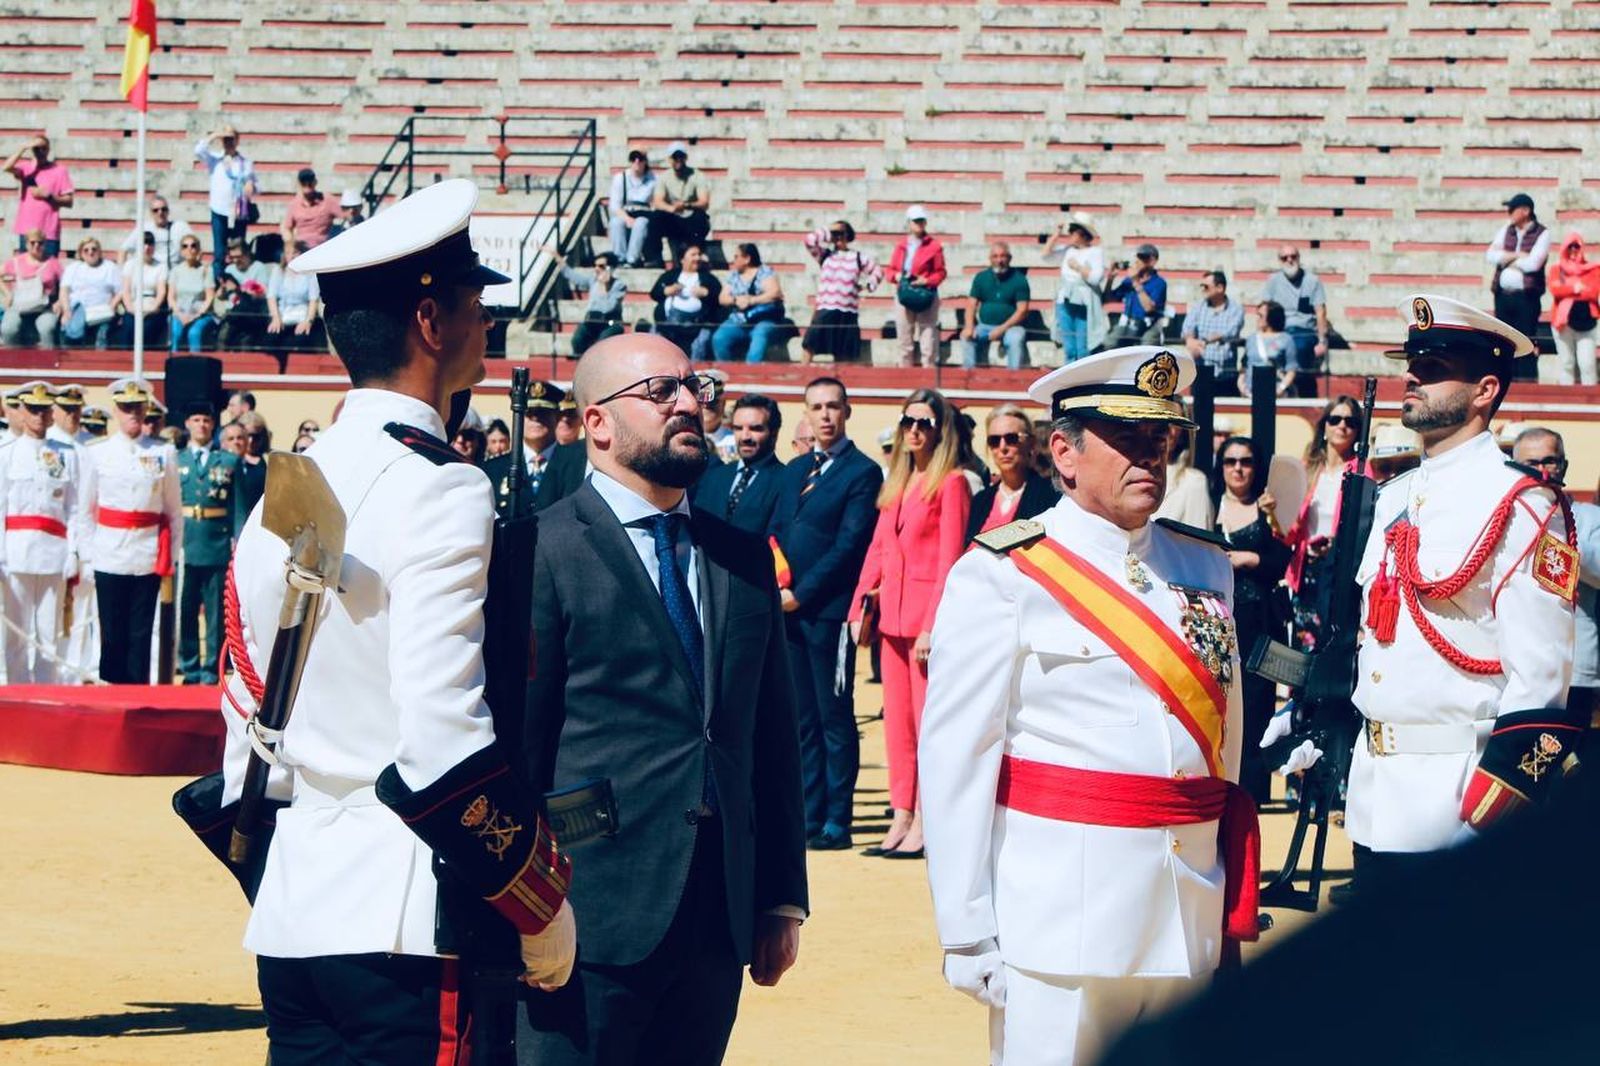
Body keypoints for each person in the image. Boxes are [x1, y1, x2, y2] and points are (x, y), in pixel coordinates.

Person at [221, 178, 576, 1063]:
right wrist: (538, 906)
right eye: (475, 303)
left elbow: (243, 707)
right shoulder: (442, 485)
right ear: (430, 323)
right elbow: (438, 733)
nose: (487, 324)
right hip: (405, 914)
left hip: (297, 905)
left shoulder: (288, 483)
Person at [919, 345, 1251, 1066]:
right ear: (1064, 453)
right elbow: (956, 759)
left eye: (1161, 440)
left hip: (1186, 901)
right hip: (1062, 918)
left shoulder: (1204, 563)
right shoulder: (1002, 574)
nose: (1151, 458)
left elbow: (1225, 739)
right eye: (1128, 440)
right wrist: (966, 927)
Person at [517, 332, 807, 1065]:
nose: (689, 404)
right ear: (598, 424)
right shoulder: (539, 550)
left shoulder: (742, 556)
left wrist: (778, 897)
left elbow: (769, 737)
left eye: (695, 387)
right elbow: (519, 746)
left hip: (717, 916)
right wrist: (521, 909)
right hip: (584, 916)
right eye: (660, 392)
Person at [1345, 294, 1576, 894]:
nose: (1411, 375)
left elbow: (1543, 677)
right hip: (1374, 790)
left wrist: (1500, 798)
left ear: (1484, 390)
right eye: (1411, 362)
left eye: (1435, 366)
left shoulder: (1523, 504)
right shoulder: (1393, 496)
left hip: (1458, 797)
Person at [848, 389, 971, 858]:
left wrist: (933, 626)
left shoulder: (952, 483)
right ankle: (901, 813)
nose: (915, 431)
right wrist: (859, 606)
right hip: (891, 622)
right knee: (897, 727)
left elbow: (949, 561)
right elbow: (878, 550)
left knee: (925, 727)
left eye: (924, 422)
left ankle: (926, 816)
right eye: (908, 422)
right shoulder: (896, 483)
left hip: (922, 624)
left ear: (940, 430)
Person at [768, 377, 884, 850]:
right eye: (816, 407)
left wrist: (803, 594)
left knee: (835, 717)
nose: (825, 416)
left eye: (833, 406)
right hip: (789, 609)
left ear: (847, 411)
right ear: (807, 412)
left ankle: (839, 818)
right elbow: (775, 532)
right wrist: (778, 587)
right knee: (801, 718)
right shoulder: (794, 470)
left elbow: (849, 546)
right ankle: (809, 814)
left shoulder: (863, 472)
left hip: (829, 612)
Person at [83, 377, 182, 685]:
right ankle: (110, 694)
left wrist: (171, 559)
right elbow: (86, 511)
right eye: (127, 408)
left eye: (138, 407)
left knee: (140, 633)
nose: (133, 414)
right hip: (109, 553)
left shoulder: (163, 453)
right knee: (111, 634)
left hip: (146, 554)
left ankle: (137, 695)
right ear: (116, 410)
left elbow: (173, 512)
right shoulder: (97, 452)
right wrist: (88, 557)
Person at [1210, 435, 1290, 805]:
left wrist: (1249, 559)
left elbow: (1285, 559)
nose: (1238, 468)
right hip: (1215, 617)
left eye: (1245, 461)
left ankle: (1254, 793)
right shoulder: (1209, 506)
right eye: (1230, 461)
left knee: (1257, 704)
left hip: (1258, 619)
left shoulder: (1267, 508)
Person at [0, 381, 87, 684]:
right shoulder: (6, 454)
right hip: (16, 551)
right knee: (18, 633)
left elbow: (74, 508)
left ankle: (48, 692)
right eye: (32, 409)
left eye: (43, 410)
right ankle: (19, 693)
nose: (38, 416)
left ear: (52, 413)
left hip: (54, 551)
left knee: (49, 633)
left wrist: (75, 551)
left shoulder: (67, 455)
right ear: (21, 412)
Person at [1285, 393, 1365, 652]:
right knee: (1303, 646)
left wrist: (1336, 543)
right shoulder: (1307, 469)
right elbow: (1289, 527)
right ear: (1325, 426)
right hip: (1307, 567)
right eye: (1336, 419)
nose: (1342, 426)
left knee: (1332, 646)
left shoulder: (1362, 471)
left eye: (1351, 422)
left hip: (1340, 569)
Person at [173, 401, 236, 685]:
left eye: (206, 420)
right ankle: (189, 666)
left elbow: (238, 507)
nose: (201, 425)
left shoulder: (227, 461)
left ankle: (211, 668)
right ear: (187, 423)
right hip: (185, 543)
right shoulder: (176, 460)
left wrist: (236, 539)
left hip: (216, 543)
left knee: (214, 612)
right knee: (185, 609)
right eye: (196, 419)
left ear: (213, 425)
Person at [692, 393, 785, 534]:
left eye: (755, 429)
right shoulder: (714, 476)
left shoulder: (786, 480)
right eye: (738, 428)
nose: (745, 437)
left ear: (774, 433)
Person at [967, 403, 1057, 542]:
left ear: (1031, 443)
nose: (1002, 447)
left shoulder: (1050, 496)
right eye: (994, 440)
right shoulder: (980, 501)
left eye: (1011, 439)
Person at [801, 221, 881, 364]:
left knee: (843, 351)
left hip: (847, 310)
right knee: (810, 343)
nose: (837, 238)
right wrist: (828, 232)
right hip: (826, 308)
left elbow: (877, 271)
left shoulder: (858, 257)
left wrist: (868, 285)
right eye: (835, 234)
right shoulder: (825, 255)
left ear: (848, 235)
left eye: (841, 234)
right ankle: (802, 373)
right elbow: (809, 240)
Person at [481, 380, 563, 517]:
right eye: (529, 413)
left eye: (543, 412)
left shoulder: (575, 463)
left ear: (557, 416)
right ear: (518, 417)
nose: (536, 418)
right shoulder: (494, 468)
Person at [1260, 245, 1330, 396]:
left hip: (1304, 332)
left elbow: (1320, 311)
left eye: (1293, 256)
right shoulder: (1273, 281)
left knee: (1299, 348)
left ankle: (1299, 391)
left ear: (1299, 258)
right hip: (1280, 330)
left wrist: (1322, 341)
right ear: (1280, 260)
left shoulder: (1312, 281)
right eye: (1285, 257)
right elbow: (1264, 308)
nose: (1290, 260)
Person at [1484, 192, 1550, 348]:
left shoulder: (1542, 233)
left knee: (1526, 344)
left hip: (1526, 298)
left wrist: (1505, 260)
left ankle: (1525, 374)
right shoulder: (1506, 230)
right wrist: (1518, 255)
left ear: (1526, 211)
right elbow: (1490, 256)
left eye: (1512, 209)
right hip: (1503, 296)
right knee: (1503, 344)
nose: (1509, 213)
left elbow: (1533, 264)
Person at [194, 124, 257, 284]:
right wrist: (215, 135)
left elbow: (253, 183)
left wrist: (250, 185)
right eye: (226, 139)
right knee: (220, 251)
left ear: (237, 140)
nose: (228, 142)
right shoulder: (215, 159)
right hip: (219, 210)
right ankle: (219, 283)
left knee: (239, 249)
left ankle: (239, 283)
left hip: (238, 211)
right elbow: (199, 151)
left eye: (231, 139)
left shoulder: (245, 162)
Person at [886, 205, 946, 367]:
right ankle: (906, 371)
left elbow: (940, 273)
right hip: (904, 292)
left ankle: (929, 370)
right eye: (916, 221)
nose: (919, 224)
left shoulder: (934, 246)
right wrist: (897, 276)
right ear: (909, 223)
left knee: (928, 335)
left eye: (921, 221)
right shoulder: (901, 246)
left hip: (925, 292)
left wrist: (926, 281)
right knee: (904, 334)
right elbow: (890, 270)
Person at [1044, 213, 1109, 363]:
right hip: (1065, 299)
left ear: (1083, 233)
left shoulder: (1095, 252)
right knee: (1069, 347)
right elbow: (1046, 256)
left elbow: (1096, 277)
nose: (1070, 233)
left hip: (1083, 302)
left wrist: (1079, 268)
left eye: (1073, 230)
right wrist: (1056, 235)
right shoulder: (1068, 250)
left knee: (1082, 347)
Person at [958, 242, 1032, 370]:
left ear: (1009, 258)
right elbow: (971, 304)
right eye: (995, 256)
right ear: (990, 259)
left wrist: (1001, 329)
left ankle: (1013, 376)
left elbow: (1022, 310)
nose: (999, 260)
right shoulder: (981, 277)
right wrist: (969, 327)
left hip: (1011, 327)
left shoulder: (1019, 279)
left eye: (1003, 256)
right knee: (966, 335)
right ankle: (968, 374)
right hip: (984, 326)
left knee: (1016, 338)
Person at [712, 243, 785, 363]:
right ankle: (727, 371)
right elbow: (722, 298)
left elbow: (775, 292)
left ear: (747, 259)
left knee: (760, 335)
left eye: (736, 257)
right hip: (738, 319)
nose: (733, 260)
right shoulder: (734, 275)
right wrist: (736, 300)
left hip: (763, 319)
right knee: (719, 338)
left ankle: (751, 372)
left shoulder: (764, 272)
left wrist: (751, 300)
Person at [1545, 229, 1599, 386]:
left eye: (1577, 246)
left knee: (1587, 363)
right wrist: (1575, 288)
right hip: (1562, 323)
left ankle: (1591, 403)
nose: (1574, 250)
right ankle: (1564, 401)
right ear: (1565, 248)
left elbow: (1593, 292)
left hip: (1587, 322)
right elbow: (1555, 289)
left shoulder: (1593, 269)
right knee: (1566, 362)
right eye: (1570, 246)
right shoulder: (1556, 269)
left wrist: (1568, 288)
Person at [4, 133, 73, 257]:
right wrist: (23, 147)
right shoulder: (25, 168)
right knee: (26, 271)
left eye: (43, 148)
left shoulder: (59, 170)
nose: (40, 151)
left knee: (49, 272)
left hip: (49, 232)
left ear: (48, 150)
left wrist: (49, 196)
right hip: (27, 231)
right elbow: (6, 167)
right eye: (36, 148)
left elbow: (69, 202)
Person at [649, 242, 720, 360]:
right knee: (654, 336)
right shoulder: (671, 275)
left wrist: (706, 293)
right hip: (669, 324)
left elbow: (718, 298)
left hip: (696, 325)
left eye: (699, 254)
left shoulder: (707, 277)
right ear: (682, 259)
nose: (697, 258)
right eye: (693, 255)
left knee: (702, 341)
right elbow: (654, 293)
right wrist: (667, 290)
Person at [648, 141, 711, 263]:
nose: (678, 160)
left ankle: (697, 254)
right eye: (674, 157)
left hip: (691, 217)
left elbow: (704, 202)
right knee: (655, 217)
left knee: (700, 217)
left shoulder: (697, 175)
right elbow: (658, 201)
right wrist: (672, 208)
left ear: (685, 158)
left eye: (680, 156)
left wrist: (687, 205)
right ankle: (655, 258)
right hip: (673, 217)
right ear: (669, 159)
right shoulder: (664, 177)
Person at [1181, 271, 1245, 391]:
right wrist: (1190, 340)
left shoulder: (1236, 309)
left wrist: (1204, 341)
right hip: (1201, 371)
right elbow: (1187, 327)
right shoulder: (1199, 306)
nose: (1203, 290)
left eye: (1206, 287)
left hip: (1225, 374)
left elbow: (1230, 331)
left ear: (1220, 288)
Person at [57, 236, 123, 349]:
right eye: (86, 250)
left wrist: (112, 305)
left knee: (103, 334)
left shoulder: (110, 267)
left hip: (102, 312)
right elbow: (64, 291)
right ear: (81, 253)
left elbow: (121, 290)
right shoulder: (73, 268)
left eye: (94, 249)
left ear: (99, 251)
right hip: (78, 310)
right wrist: (66, 310)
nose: (90, 252)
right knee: (67, 326)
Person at [557, 250, 626, 357]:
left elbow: (608, 308)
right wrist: (556, 256)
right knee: (577, 340)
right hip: (592, 320)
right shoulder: (593, 280)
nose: (597, 269)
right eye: (595, 265)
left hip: (609, 322)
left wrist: (604, 286)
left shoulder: (619, 285)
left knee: (602, 344)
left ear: (610, 268)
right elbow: (573, 276)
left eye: (601, 266)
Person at [1, 228, 62, 348]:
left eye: (40, 243)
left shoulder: (52, 262)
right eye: (32, 242)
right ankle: (13, 360)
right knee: (8, 329)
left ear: (45, 244)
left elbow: (66, 283)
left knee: (47, 328)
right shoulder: (17, 262)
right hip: (18, 305)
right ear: (26, 244)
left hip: (45, 307)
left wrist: (60, 301)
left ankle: (48, 361)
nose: (36, 246)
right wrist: (7, 293)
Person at [1154, 413, 1214, 529]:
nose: (1167, 429)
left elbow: (1198, 542)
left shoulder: (1194, 481)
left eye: (1174, 422)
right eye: (1162, 419)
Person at [1105, 243, 1167, 346]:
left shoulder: (1159, 283)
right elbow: (1108, 299)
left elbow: (1149, 308)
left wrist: (1136, 282)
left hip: (1149, 325)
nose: (1138, 261)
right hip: (1130, 323)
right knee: (1109, 343)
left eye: (1143, 258)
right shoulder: (1129, 281)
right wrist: (1110, 279)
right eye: (1138, 257)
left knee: (1147, 347)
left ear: (1152, 261)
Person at [266, 240, 323, 351]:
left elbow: (313, 299)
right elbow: (271, 297)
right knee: (270, 340)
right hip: (282, 315)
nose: (291, 256)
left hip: (302, 315)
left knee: (298, 342)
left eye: (295, 252)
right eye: (287, 253)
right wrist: (276, 318)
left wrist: (308, 321)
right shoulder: (278, 271)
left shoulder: (310, 273)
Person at [215, 238, 272, 350]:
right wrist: (222, 289)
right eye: (232, 257)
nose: (235, 260)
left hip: (251, 315)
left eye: (238, 257)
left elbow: (260, 294)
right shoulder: (229, 269)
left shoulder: (258, 267)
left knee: (245, 343)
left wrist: (238, 289)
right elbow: (219, 296)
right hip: (232, 315)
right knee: (222, 339)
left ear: (247, 254)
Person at [167, 233, 216, 353]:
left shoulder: (206, 270)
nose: (189, 249)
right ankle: (173, 366)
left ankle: (196, 365)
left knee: (194, 333)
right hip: (180, 313)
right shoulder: (176, 271)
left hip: (200, 314)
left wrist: (196, 315)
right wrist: (179, 314)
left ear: (198, 249)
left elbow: (209, 297)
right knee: (176, 333)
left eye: (193, 246)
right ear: (181, 251)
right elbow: (171, 297)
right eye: (185, 246)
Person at [608, 148, 657, 267]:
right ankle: (619, 258)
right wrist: (627, 219)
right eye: (633, 158)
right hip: (626, 212)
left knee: (641, 223)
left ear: (645, 161)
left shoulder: (653, 179)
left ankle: (632, 259)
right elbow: (615, 205)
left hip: (644, 213)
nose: (636, 162)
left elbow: (656, 201)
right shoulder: (620, 178)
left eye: (640, 159)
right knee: (616, 223)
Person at [119, 231, 168, 348]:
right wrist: (130, 308)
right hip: (134, 304)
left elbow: (161, 292)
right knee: (129, 326)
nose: (147, 247)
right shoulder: (130, 265)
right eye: (144, 244)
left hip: (151, 305)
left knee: (148, 328)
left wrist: (154, 307)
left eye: (150, 244)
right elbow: (125, 290)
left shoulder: (161, 267)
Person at [119, 195, 194, 269]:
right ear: (151, 213)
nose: (160, 212)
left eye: (163, 209)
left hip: (174, 273)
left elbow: (196, 247)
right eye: (156, 210)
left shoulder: (180, 227)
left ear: (168, 211)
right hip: (153, 274)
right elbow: (123, 250)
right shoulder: (144, 228)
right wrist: (122, 274)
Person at [1241, 299, 1297, 397]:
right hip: (1251, 393)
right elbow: (1244, 368)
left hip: (1275, 393)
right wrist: (1243, 388)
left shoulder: (1286, 340)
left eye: (1261, 316)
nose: (1257, 318)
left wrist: (1280, 390)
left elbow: (1291, 370)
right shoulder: (1251, 339)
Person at [280, 167, 341, 250]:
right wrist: (290, 241)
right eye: (304, 182)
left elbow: (346, 214)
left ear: (315, 182)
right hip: (301, 249)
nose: (307, 184)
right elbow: (286, 228)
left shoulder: (327, 200)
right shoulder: (294, 204)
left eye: (310, 181)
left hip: (323, 248)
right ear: (299, 183)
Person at [230, 411, 268, 535]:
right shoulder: (229, 460)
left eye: (255, 436)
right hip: (235, 522)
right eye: (247, 436)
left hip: (260, 523)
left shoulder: (268, 461)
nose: (251, 441)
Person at [698, 368, 734, 463]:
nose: (706, 405)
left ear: (724, 403)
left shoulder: (738, 443)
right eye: (701, 400)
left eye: (713, 401)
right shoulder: (680, 441)